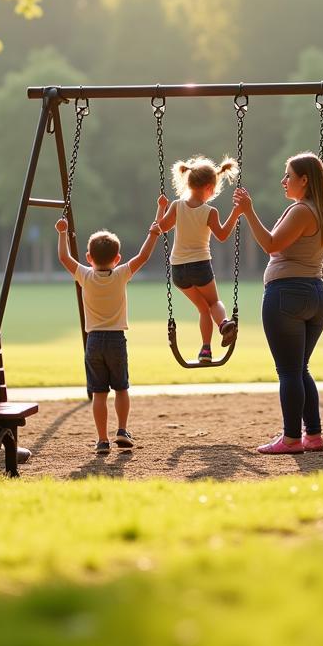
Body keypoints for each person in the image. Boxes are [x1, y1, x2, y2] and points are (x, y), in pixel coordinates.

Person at [233, 152, 323, 455]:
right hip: (316, 294)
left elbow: (270, 245)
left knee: (289, 372)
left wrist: (247, 211)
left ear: (304, 180)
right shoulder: (320, 211)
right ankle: (313, 435)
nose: (284, 181)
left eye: (288, 176)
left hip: (288, 295)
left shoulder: (301, 210)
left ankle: (292, 438)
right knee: (300, 369)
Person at [55, 211, 162, 453]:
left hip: (93, 341)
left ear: (89, 257)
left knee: (100, 393)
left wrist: (62, 232)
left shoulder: (84, 274)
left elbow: (64, 257)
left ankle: (102, 439)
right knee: (122, 388)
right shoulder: (122, 274)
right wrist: (153, 233)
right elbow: (143, 256)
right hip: (116, 339)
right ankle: (122, 430)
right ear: (117, 257)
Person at [155, 154, 242, 363]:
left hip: (178, 270)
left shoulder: (176, 206)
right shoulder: (209, 211)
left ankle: (205, 351)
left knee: (203, 308)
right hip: (201, 266)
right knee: (213, 302)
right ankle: (223, 324)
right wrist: (237, 213)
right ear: (210, 188)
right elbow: (222, 235)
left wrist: (161, 206)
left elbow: (161, 227)